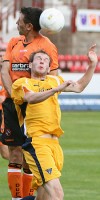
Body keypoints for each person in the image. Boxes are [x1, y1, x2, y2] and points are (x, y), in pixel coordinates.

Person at [11, 46, 97, 200]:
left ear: (50, 67)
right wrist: (56, 89)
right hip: (37, 144)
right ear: (30, 65)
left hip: (55, 146)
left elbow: (79, 87)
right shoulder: (21, 83)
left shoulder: (54, 80)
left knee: (45, 197)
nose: (42, 61)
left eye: (45, 60)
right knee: (57, 194)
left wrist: (92, 65)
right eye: (38, 59)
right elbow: (31, 98)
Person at [1, 7, 59, 200]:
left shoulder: (47, 45)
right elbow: (4, 71)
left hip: (34, 106)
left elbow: (53, 76)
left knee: (30, 156)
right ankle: (16, 198)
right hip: (13, 102)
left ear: (29, 26)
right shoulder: (13, 42)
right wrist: (15, 96)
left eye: (19, 21)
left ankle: (29, 196)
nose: (16, 24)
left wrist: (35, 96)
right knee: (15, 153)